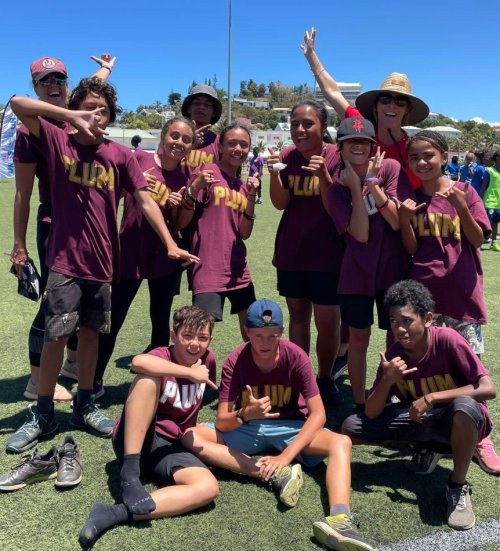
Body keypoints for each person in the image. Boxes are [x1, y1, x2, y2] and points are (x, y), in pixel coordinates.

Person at [6, 77, 199, 454]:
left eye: (104, 110)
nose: (97, 115)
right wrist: (69, 116)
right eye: (90, 108)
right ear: (76, 110)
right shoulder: (57, 139)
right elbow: (17, 104)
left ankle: (84, 405)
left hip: (103, 262)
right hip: (64, 260)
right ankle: (43, 411)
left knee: (91, 335)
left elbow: (145, 201)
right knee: (56, 336)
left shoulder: (119, 155)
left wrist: (171, 244)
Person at [183, 299, 377, 551]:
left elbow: (318, 415)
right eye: (258, 336)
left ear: (282, 332)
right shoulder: (235, 360)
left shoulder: (295, 356)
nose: (265, 343)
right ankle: (273, 474)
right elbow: (222, 420)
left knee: (341, 442)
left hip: (291, 426)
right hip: (249, 426)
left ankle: (340, 519)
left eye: (272, 336)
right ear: (247, 332)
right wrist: (245, 414)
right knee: (190, 435)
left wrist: (286, 456)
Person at [342, 280, 496, 530]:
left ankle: (457, 485)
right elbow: (370, 413)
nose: (400, 329)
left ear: (427, 319)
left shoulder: (447, 340)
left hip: (457, 420)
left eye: (407, 321)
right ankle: (428, 448)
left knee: (465, 407)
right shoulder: (394, 355)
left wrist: (432, 397)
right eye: (394, 321)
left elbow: (488, 388)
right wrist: (387, 380)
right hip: (420, 420)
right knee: (351, 426)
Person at [11, 54, 115, 402]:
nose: (53, 86)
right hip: (55, 225)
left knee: (82, 301)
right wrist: (19, 244)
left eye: (59, 80)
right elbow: (23, 194)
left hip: (87, 226)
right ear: (35, 87)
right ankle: (36, 380)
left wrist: (106, 69)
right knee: (54, 305)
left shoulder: (75, 109)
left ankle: (71, 365)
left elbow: (91, 90)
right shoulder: (31, 128)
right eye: (45, 82)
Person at [397, 130, 499, 475]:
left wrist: (461, 207)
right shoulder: (412, 198)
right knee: (427, 368)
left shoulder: (465, 191)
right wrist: (405, 221)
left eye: (428, 155)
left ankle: (481, 436)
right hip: (424, 296)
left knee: (470, 368)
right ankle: (431, 436)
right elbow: (411, 248)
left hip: (462, 295)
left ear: (443, 156)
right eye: (414, 157)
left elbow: (477, 239)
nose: (422, 162)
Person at [78, 306, 219, 549]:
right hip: (136, 440)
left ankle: (114, 513)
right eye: (187, 336)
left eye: (202, 337)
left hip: (169, 448)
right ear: (173, 336)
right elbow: (138, 362)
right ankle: (130, 473)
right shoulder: (163, 354)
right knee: (147, 378)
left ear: (210, 340)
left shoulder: (208, 361)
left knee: (208, 487)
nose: (195, 344)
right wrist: (189, 373)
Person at [93, 117, 197, 396]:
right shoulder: (139, 160)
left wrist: (177, 204)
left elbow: (179, 224)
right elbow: (112, 193)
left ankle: (156, 384)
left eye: (186, 139)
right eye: (175, 136)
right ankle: (94, 382)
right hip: (129, 254)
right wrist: (133, 185)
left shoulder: (184, 178)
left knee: (160, 323)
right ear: (163, 136)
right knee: (112, 321)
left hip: (163, 259)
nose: (179, 143)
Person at [327, 117, 413, 411]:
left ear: (373, 146)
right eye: (351, 141)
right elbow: (360, 234)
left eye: (364, 142)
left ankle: (394, 396)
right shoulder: (336, 188)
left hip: (392, 269)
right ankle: (360, 403)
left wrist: (372, 183)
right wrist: (355, 188)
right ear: (340, 147)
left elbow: (396, 221)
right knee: (358, 339)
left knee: (398, 337)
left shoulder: (390, 168)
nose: (358, 147)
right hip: (356, 273)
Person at [267, 99, 345, 405]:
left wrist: (324, 176)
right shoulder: (288, 156)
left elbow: (335, 208)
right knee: (298, 317)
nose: (300, 129)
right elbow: (280, 204)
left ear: (323, 127)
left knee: (328, 323)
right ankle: (302, 377)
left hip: (328, 255)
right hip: (292, 252)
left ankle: (324, 377)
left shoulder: (336, 156)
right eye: (295, 124)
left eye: (308, 123)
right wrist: (275, 174)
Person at [301, 27, 429, 189]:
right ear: (375, 106)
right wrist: (311, 57)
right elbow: (333, 92)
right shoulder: (360, 127)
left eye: (400, 101)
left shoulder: (413, 149)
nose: (392, 105)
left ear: (407, 110)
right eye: (385, 99)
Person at [178, 123, 259, 340]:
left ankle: (249, 364)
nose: (238, 149)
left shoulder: (242, 187)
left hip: (238, 268)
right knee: (199, 335)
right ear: (220, 147)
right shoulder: (208, 172)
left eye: (243, 145)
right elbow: (183, 221)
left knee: (253, 330)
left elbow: (244, 233)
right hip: (208, 267)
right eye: (231, 143)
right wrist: (194, 189)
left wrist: (251, 196)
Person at [181, 84, 222, 169]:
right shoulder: (174, 137)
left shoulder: (220, 143)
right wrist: (190, 142)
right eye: (197, 103)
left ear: (214, 113)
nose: (201, 107)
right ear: (189, 109)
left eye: (207, 105)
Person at [481, 150, 500, 252]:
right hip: (489, 202)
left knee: (496, 223)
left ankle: (493, 243)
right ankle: (479, 241)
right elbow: (484, 187)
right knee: (486, 223)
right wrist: (479, 200)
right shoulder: (489, 171)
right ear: (497, 159)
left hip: (498, 203)